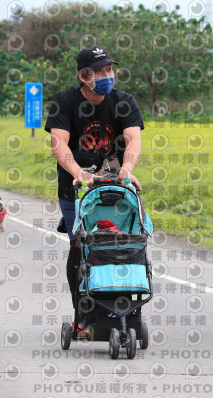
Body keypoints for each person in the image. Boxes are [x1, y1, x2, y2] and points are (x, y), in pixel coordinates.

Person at [44, 45, 144, 327]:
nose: (107, 75)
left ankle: (119, 308)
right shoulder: (64, 102)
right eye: (100, 71)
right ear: (84, 76)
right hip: (75, 189)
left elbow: (133, 139)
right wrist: (77, 172)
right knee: (80, 247)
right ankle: (83, 315)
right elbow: (58, 144)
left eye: (110, 69)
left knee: (118, 244)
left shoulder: (124, 101)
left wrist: (127, 168)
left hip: (115, 185)